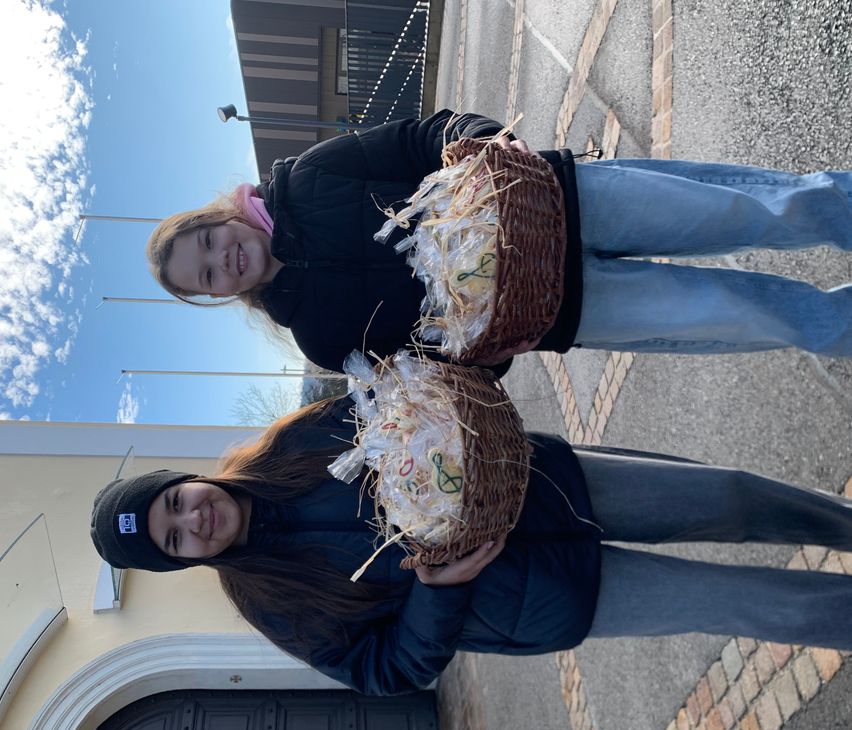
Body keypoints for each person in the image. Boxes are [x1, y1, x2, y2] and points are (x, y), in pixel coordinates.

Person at [91, 395, 852, 697]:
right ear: (180, 561)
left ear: (185, 480)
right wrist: (437, 587)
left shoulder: (295, 441)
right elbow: (386, 670)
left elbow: (398, 394)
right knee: (755, 604)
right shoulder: (273, 605)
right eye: (173, 539)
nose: (193, 521)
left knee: (733, 497)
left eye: (175, 502)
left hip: (548, 482)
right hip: (544, 598)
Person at [145, 109, 852, 373]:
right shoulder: (319, 339)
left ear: (218, 218)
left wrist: (481, 141)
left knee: (760, 209)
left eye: (207, 242)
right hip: (564, 308)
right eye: (207, 275)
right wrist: (488, 351)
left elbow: (425, 135)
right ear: (219, 296)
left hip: (560, 201)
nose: (221, 260)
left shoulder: (306, 177)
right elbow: (441, 369)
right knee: (746, 317)